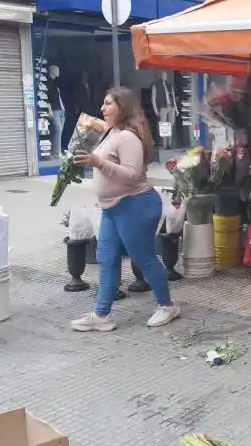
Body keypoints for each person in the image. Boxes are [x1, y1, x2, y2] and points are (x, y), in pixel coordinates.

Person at [70, 87, 180, 332]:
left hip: (135, 204)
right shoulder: (110, 133)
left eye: (109, 104)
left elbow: (131, 175)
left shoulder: (128, 137)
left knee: (144, 259)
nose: (102, 108)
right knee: (106, 258)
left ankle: (168, 305)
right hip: (112, 207)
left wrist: (97, 161)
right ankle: (102, 315)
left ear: (123, 107)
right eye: (104, 103)